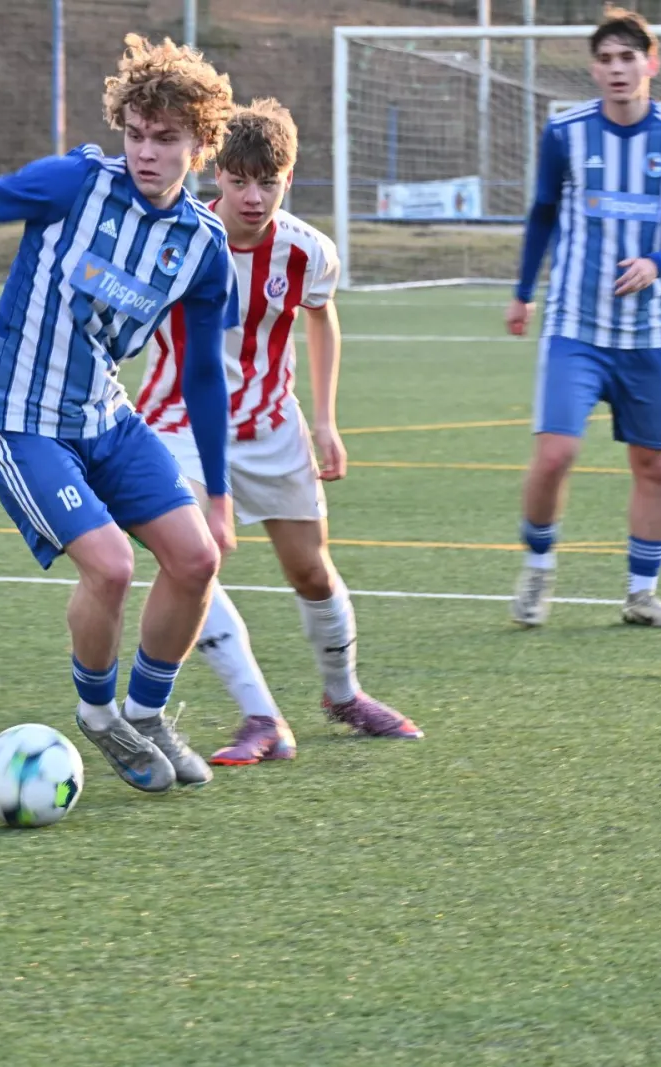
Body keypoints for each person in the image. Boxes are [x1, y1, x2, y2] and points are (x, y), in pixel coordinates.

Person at [0, 34, 239, 793]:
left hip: (103, 418)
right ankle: (99, 714)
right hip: (15, 414)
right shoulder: (71, 184)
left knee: (196, 560)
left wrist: (217, 492)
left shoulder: (203, 245)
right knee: (111, 565)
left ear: (200, 143)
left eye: (165, 138)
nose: (146, 152)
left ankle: (147, 715)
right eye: (136, 134)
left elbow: (204, 374)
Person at [136, 99, 422, 766]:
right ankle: (261, 717)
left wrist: (325, 420)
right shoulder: (177, 237)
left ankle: (344, 695)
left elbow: (321, 316)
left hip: (270, 426)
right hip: (176, 422)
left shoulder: (308, 251)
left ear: (288, 178)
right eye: (239, 181)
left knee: (311, 571)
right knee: (191, 561)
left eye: (268, 182)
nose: (253, 197)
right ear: (216, 175)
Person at [506, 8, 661, 630]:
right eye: (606, 59)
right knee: (555, 454)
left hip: (648, 333)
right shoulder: (564, 133)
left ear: (651, 64)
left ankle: (642, 594)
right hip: (575, 326)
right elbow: (542, 214)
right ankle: (538, 566)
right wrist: (522, 292)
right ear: (594, 69)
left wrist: (657, 262)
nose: (617, 69)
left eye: (628, 58)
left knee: (654, 464)